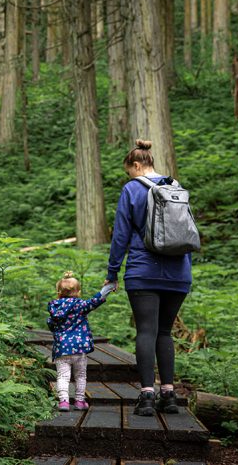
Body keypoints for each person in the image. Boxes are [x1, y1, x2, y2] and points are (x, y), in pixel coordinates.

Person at [103, 139, 192, 416]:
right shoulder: (175, 187)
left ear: (137, 165)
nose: (128, 176)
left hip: (143, 270)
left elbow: (120, 235)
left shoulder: (132, 189)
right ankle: (169, 395)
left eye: (129, 170)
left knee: (146, 331)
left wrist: (112, 273)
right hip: (178, 272)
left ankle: (146, 397)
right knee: (164, 333)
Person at [47, 271, 115, 411]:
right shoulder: (80, 306)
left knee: (63, 376)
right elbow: (95, 301)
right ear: (78, 292)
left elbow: (51, 325)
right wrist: (108, 287)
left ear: (58, 292)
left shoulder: (55, 308)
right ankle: (79, 401)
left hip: (62, 349)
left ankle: (64, 402)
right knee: (81, 376)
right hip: (79, 349)